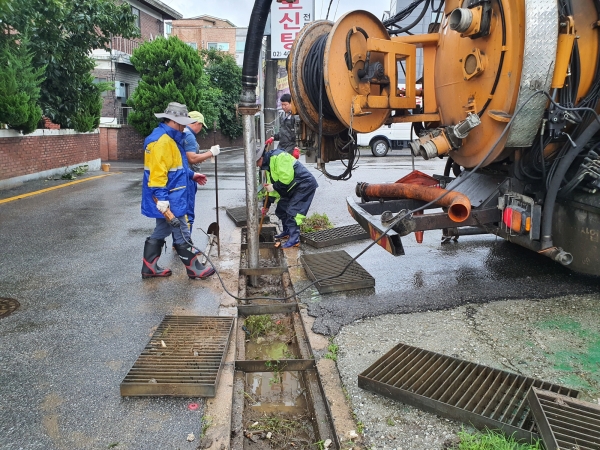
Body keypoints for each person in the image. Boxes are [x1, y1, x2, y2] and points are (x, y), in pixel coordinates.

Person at [141, 102, 215, 280]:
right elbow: (157, 174)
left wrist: (191, 175)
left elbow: (175, 167)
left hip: (172, 194)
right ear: (174, 122)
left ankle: (149, 267)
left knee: (162, 230)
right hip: (169, 197)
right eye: (182, 124)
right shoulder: (161, 141)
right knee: (182, 229)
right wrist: (163, 202)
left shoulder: (171, 139)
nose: (184, 127)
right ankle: (194, 268)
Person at [255, 145, 318, 248]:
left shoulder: (279, 157)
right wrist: (266, 206)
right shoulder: (268, 167)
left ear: (261, 158)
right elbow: (272, 191)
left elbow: (286, 179)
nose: (257, 166)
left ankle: (294, 239)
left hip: (304, 184)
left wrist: (274, 186)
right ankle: (287, 231)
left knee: (292, 211)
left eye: (257, 163)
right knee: (281, 209)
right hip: (292, 187)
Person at [181, 111, 220, 232]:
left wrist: (202, 157)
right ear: (197, 123)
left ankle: (179, 242)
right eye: (201, 125)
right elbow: (192, 158)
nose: (201, 128)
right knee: (187, 212)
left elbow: (187, 157)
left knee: (181, 211)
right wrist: (211, 153)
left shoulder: (182, 132)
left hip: (183, 175)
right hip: (188, 178)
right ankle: (185, 244)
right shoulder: (189, 136)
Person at [272, 93, 300, 158]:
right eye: (282, 105)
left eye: (285, 105)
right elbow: (282, 131)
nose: (283, 107)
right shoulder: (282, 116)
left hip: (291, 146)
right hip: (281, 145)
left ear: (291, 104)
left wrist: (297, 147)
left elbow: (298, 133)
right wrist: (273, 137)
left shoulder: (296, 116)